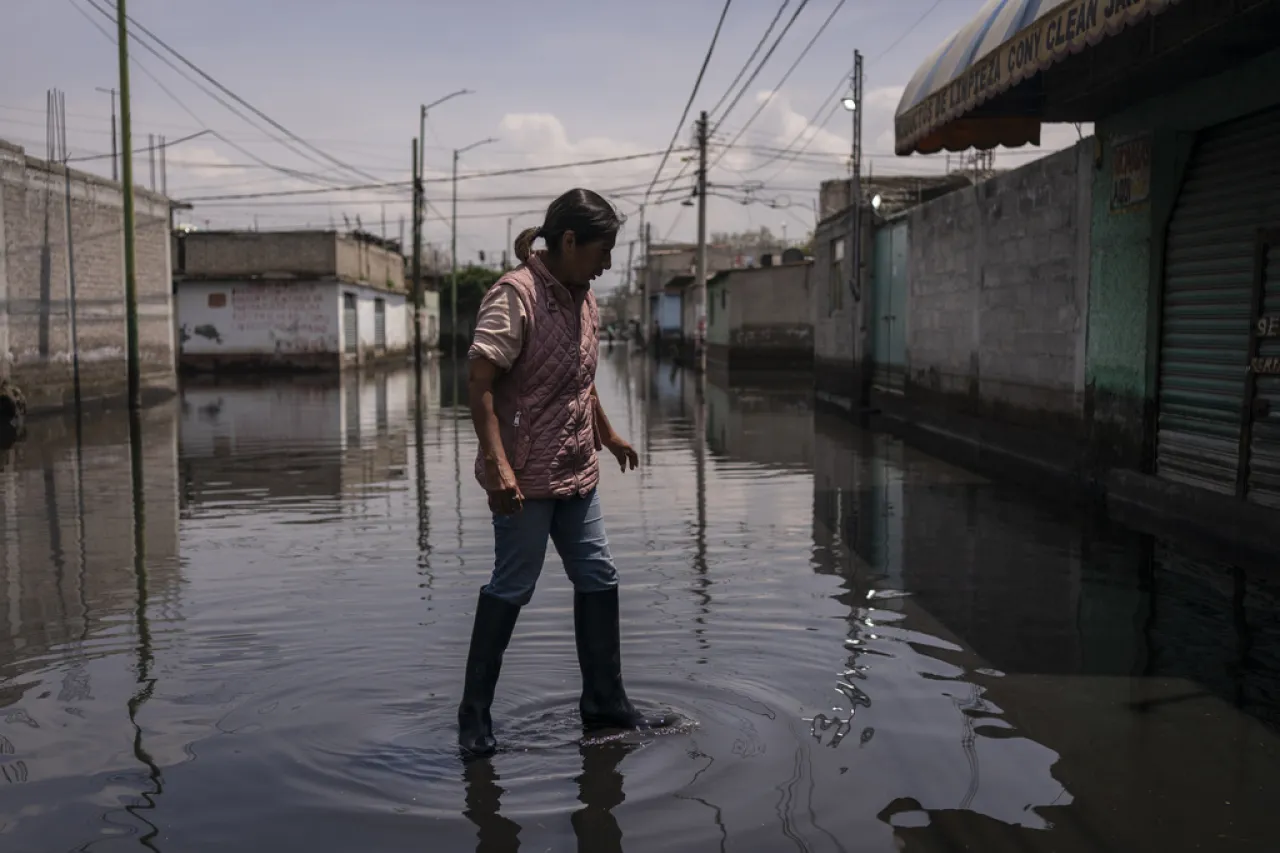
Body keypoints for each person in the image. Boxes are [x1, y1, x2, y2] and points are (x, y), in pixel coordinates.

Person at [459, 188, 674, 757]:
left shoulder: (584, 297)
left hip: (577, 468)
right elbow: (480, 383)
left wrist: (608, 433)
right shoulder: (515, 297)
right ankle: (474, 718)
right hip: (525, 476)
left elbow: (579, 378)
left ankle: (606, 705)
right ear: (569, 241)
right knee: (514, 584)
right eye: (601, 252)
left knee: (599, 576)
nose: (606, 266)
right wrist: (499, 465)